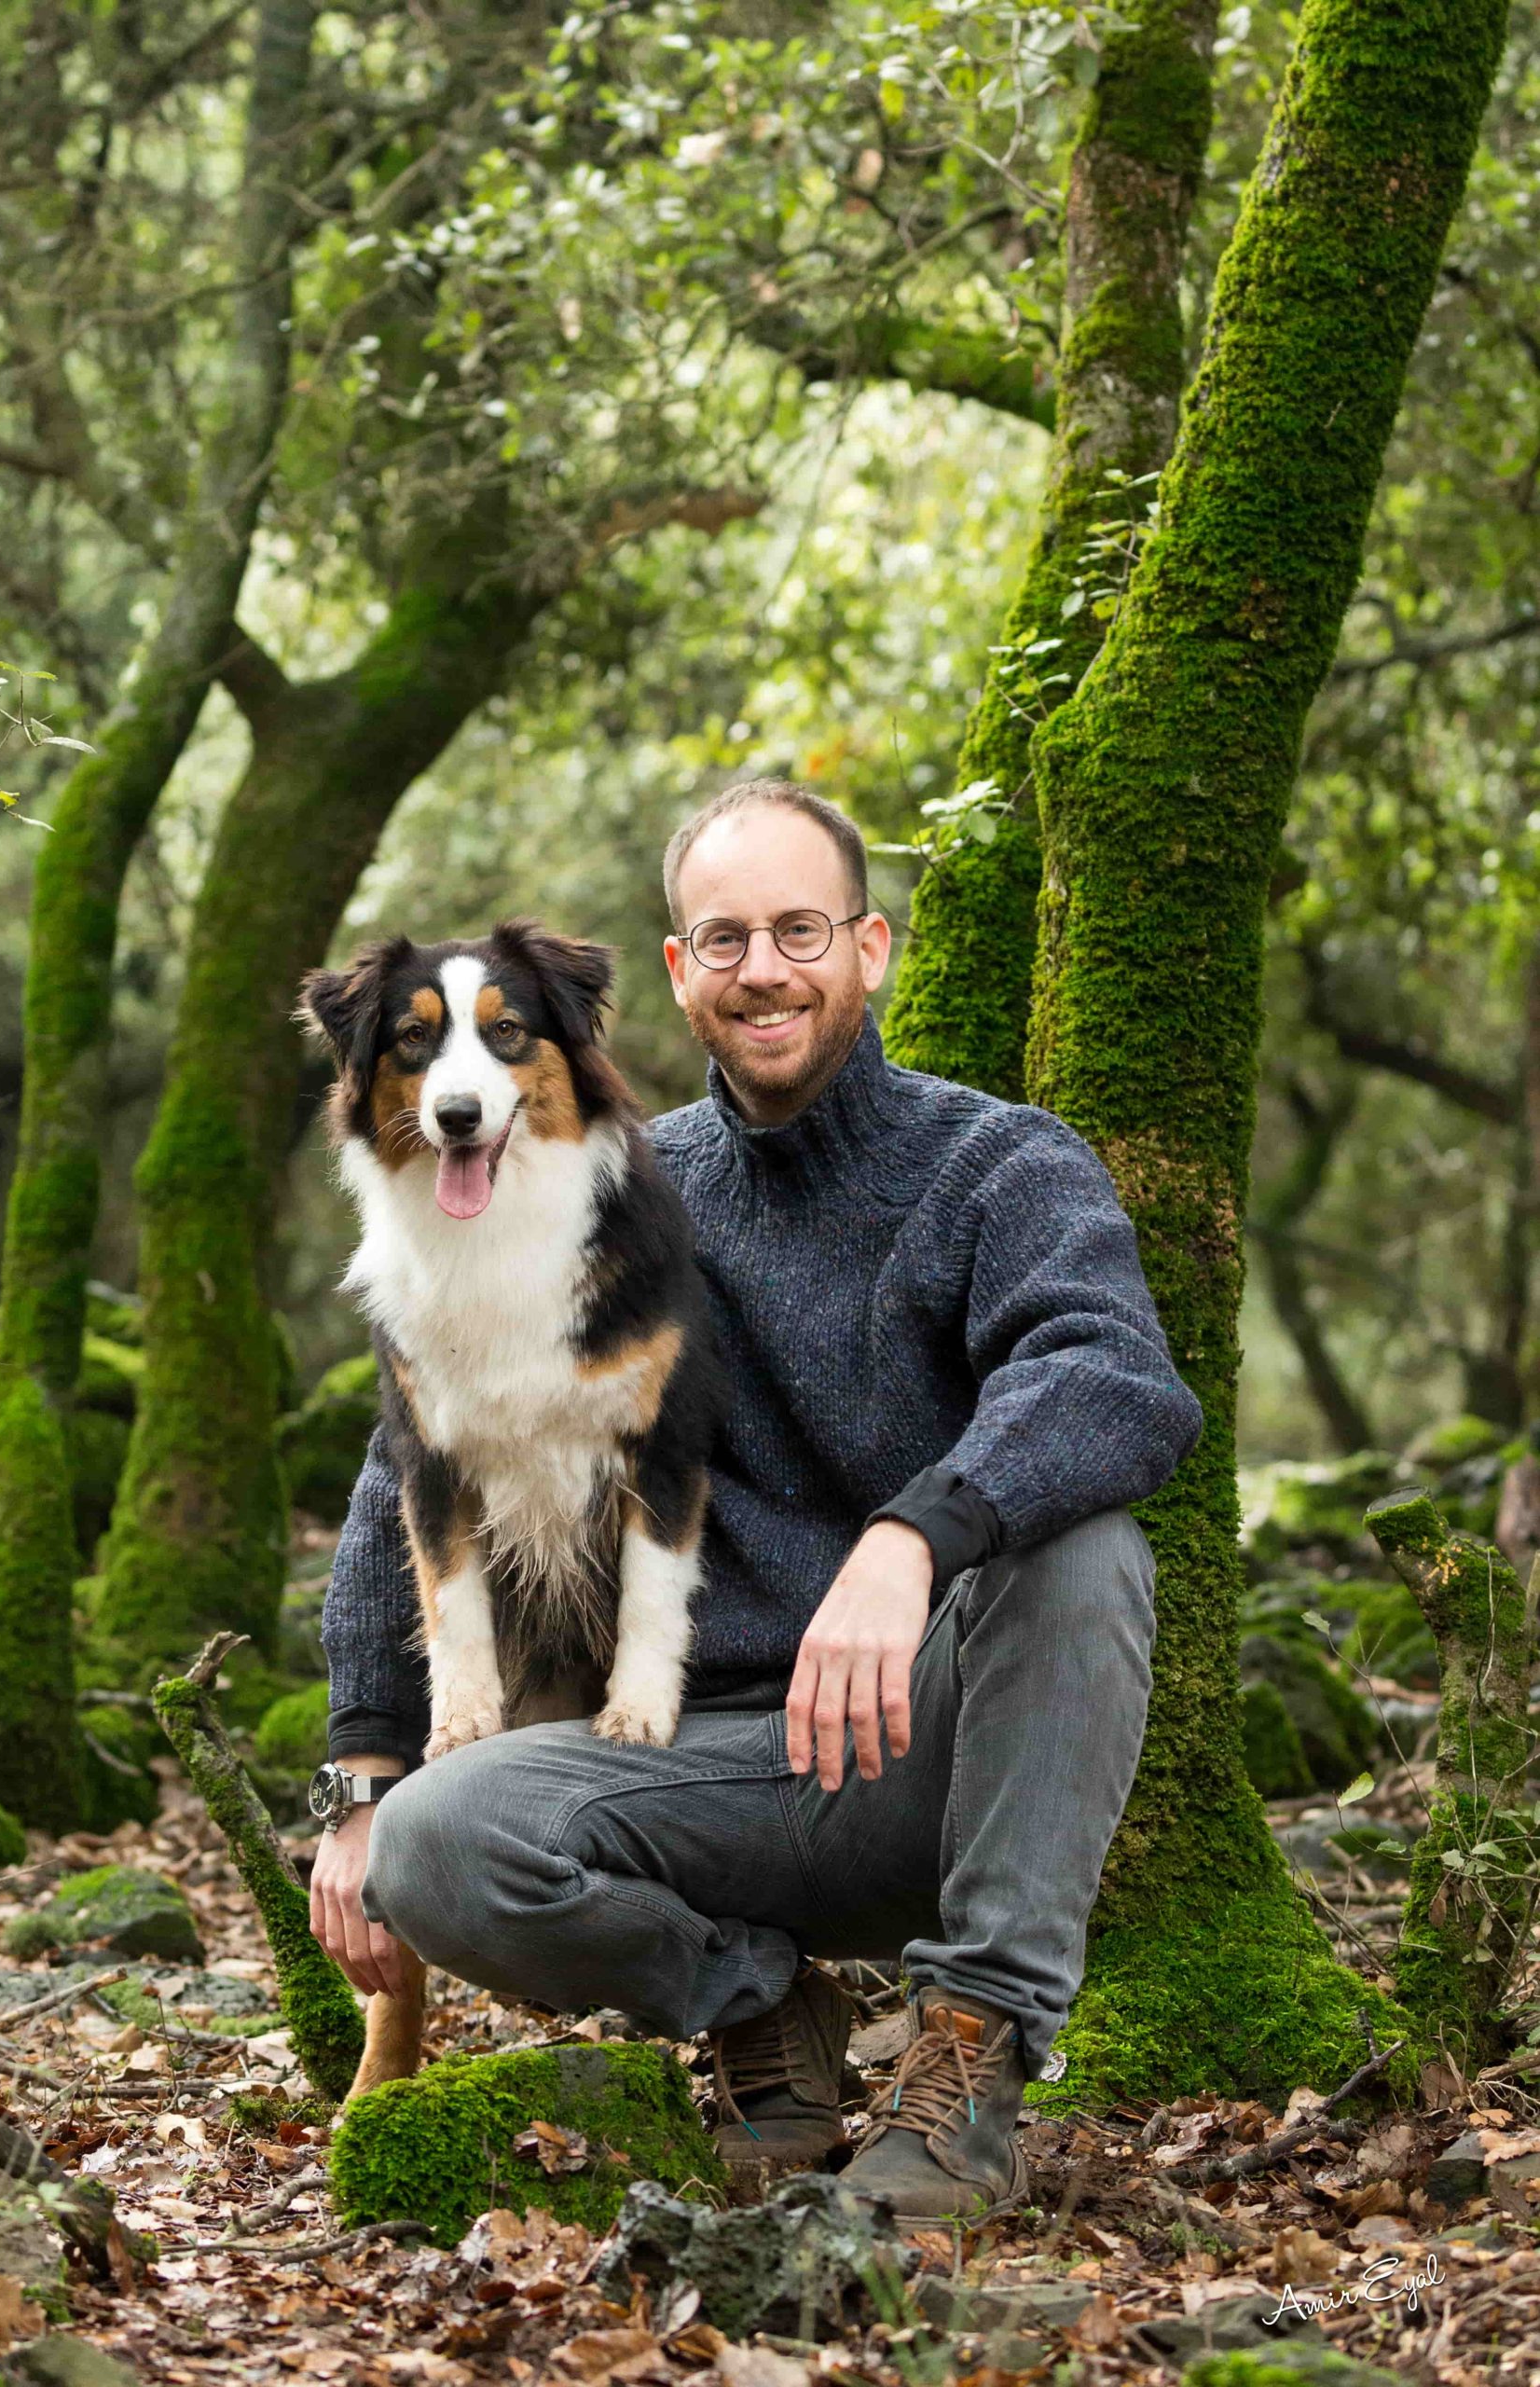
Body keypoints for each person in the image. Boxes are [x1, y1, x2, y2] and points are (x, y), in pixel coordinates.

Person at [310, 777, 1203, 2225]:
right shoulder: (602, 1187)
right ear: (678, 974)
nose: (764, 969)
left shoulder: (1000, 1166)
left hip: (933, 1757)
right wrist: (360, 1771)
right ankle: (752, 2005)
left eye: (800, 929)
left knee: (1085, 1547)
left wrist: (920, 1533)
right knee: (434, 1847)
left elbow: (1117, 1385)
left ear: (871, 946)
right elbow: (407, 1459)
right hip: (689, 1771)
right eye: (724, 940)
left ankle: (969, 2060)